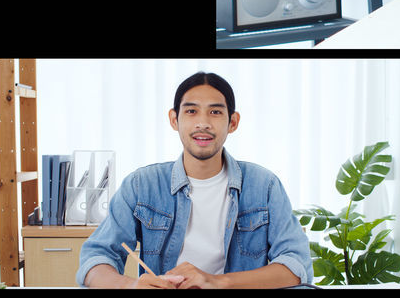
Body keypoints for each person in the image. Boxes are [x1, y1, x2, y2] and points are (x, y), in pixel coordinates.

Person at [76, 72, 311, 288]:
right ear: (174, 119)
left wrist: (217, 282)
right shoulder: (141, 185)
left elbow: (296, 265)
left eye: (215, 112)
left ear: (233, 122)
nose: (203, 123)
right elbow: (95, 260)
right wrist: (131, 286)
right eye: (191, 111)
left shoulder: (264, 185)